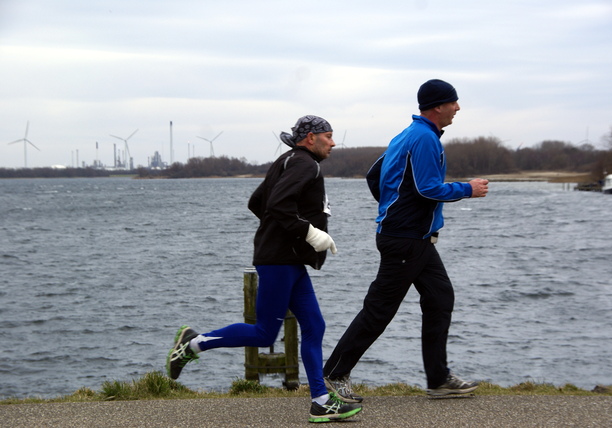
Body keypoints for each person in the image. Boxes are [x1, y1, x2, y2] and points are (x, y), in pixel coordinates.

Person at [166, 115, 362, 423]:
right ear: (311, 138)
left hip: (288, 260)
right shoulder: (305, 164)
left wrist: (280, 233)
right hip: (279, 262)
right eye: (329, 136)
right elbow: (278, 206)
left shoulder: (287, 160)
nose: (333, 142)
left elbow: (257, 202)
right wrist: (309, 233)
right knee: (263, 333)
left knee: (314, 326)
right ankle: (191, 344)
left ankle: (321, 400)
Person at [323, 79, 489, 401]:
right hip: (405, 239)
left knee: (440, 298)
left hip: (415, 238)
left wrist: (391, 205)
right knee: (379, 310)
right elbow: (428, 188)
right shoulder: (425, 139)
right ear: (438, 106)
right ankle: (334, 374)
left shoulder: (407, 135)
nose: (458, 108)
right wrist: (468, 189)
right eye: (454, 102)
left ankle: (438, 379)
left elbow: (374, 175)